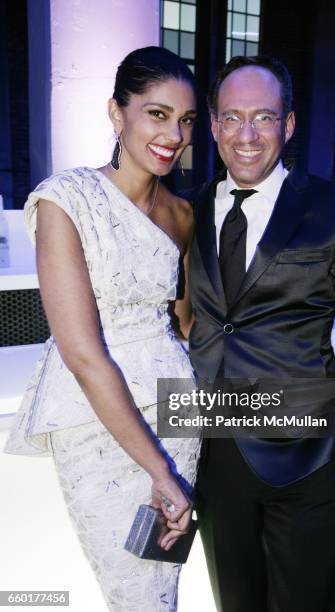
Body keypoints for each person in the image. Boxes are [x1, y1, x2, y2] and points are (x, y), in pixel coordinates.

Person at [186, 55, 335, 612]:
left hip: (307, 452)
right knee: (236, 603)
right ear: (213, 126)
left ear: (288, 124)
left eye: (263, 117)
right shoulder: (187, 212)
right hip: (214, 451)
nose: (247, 135)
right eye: (232, 118)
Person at [4, 47, 201, 612]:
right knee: (130, 591)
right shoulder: (65, 199)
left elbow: (182, 326)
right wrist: (157, 470)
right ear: (117, 113)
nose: (174, 134)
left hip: (174, 414)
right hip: (93, 421)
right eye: (156, 114)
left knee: (161, 582)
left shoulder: (182, 215)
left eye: (185, 120)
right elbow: (83, 355)